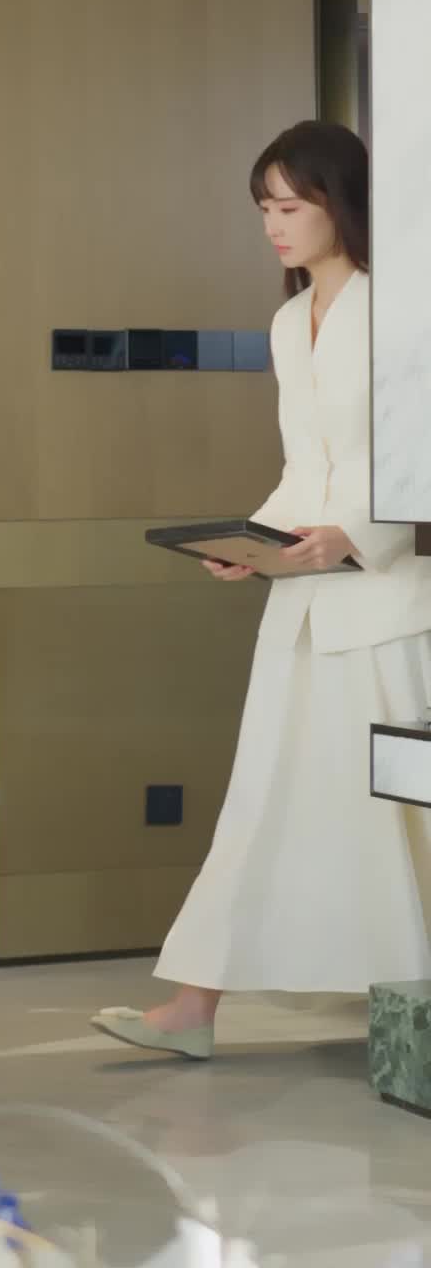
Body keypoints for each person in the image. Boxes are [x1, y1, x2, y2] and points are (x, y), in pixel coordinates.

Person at [93, 120, 431, 1060]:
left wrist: (354, 534)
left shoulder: (403, 309)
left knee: (406, 817)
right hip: (304, 596)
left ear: (339, 204)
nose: (274, 225)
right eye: (263, 209)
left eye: (290, 206)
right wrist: (254, 540)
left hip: (385, 602)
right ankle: (194, 1007)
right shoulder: (289, 323)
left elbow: (416, 457)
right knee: (259, 803)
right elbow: (303, 467)